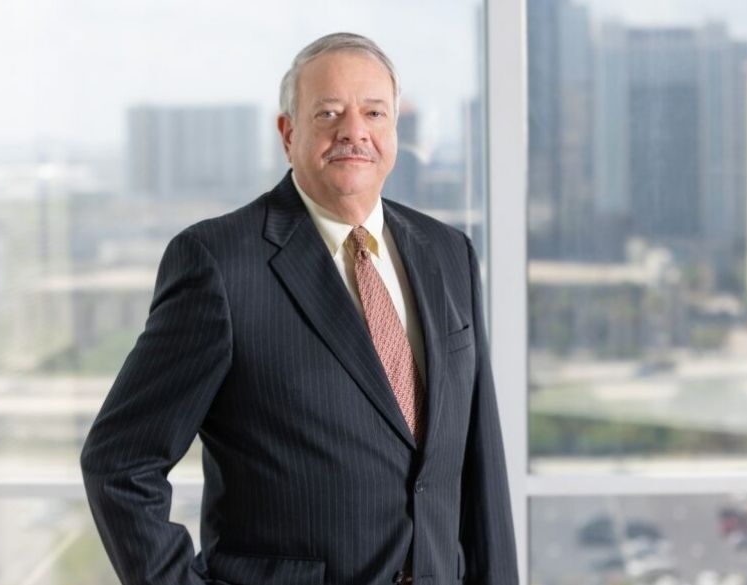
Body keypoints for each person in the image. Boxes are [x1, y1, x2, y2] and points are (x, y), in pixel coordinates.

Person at [80, 32, 517, 585]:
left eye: (374, 112)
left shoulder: (449, 253)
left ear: (394, 131)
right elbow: (120, 463)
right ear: (288, 134)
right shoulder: (220, 263)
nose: (354, 131)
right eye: (328, 113)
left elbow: (479, 467)